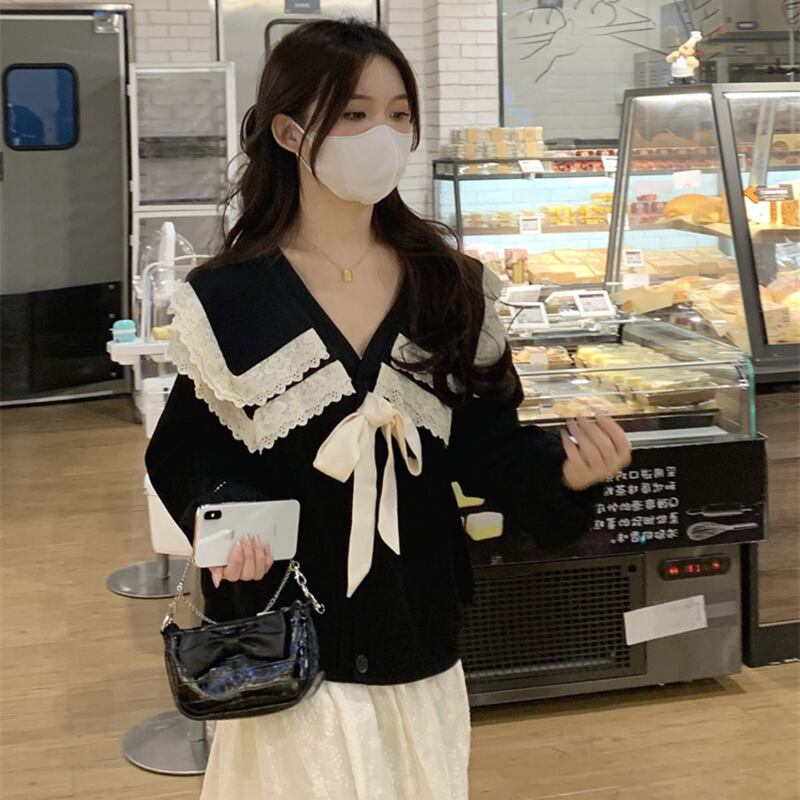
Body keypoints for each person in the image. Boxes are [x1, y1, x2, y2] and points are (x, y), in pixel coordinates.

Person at [145, 18, 631, 800]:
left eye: (399, 113)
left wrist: (566, 473)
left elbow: (489, 448)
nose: (385, 134)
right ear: (290, 132)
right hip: (285, 640)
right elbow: (187, 452)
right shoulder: (231, 297)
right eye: (355, 113)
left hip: (415, 634)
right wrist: (231, 519)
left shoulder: (449, 287)